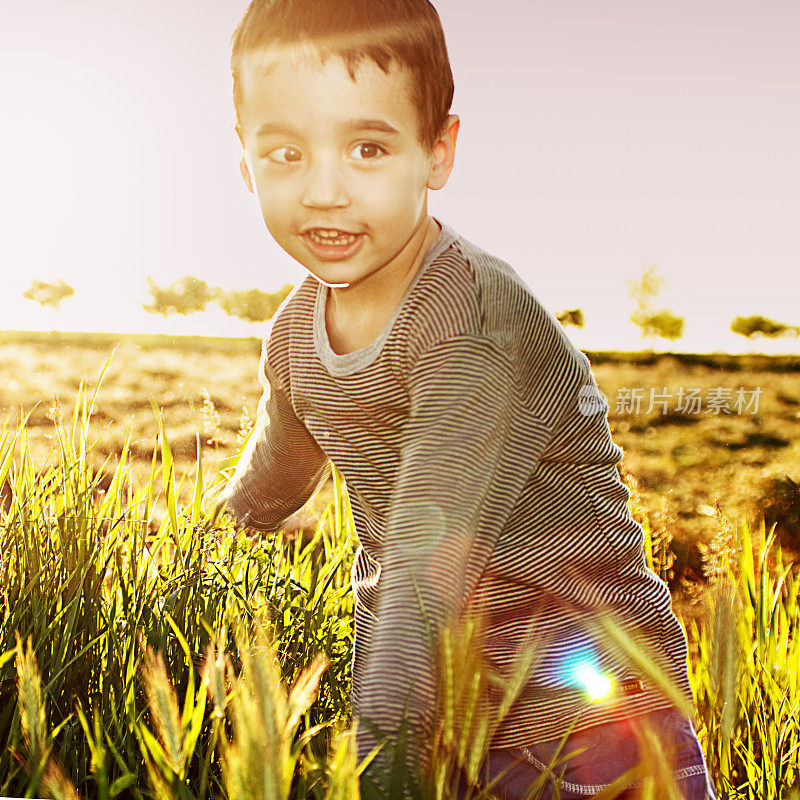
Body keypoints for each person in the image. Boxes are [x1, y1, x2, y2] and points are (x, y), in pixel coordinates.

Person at [219, 0, 717, 797]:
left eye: (368, 147)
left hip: (591, 724)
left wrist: (381, 775)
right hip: (450, 715)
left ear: (437, 152)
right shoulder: (291, 336)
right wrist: (194, 547)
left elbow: (427, 570)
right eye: (285, 153)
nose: (324, 190)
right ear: (245, 163)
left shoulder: (475, 320)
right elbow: (276, 472)